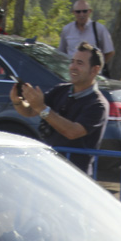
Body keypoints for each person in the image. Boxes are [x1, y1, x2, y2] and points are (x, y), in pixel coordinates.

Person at [9, 42, 108, 174]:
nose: (73, 67)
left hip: (75, 175)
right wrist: (18, 102)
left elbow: (72, 132)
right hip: (49, 169)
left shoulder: (98, 104)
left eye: (79, 63)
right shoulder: (61, 89)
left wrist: (42, 108)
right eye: (72, 62)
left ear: (94, 70)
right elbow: (30, 111)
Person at [58, 0, 115, 75]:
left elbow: (109, 52)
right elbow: (61, 53)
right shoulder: (67, 30)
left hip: (93, 75)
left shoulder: (99, 29)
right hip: (72, 75)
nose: (81, 14)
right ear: (73, 12)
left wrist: (98, 67)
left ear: (90, 11)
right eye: (78, 12)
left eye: (84, 11)